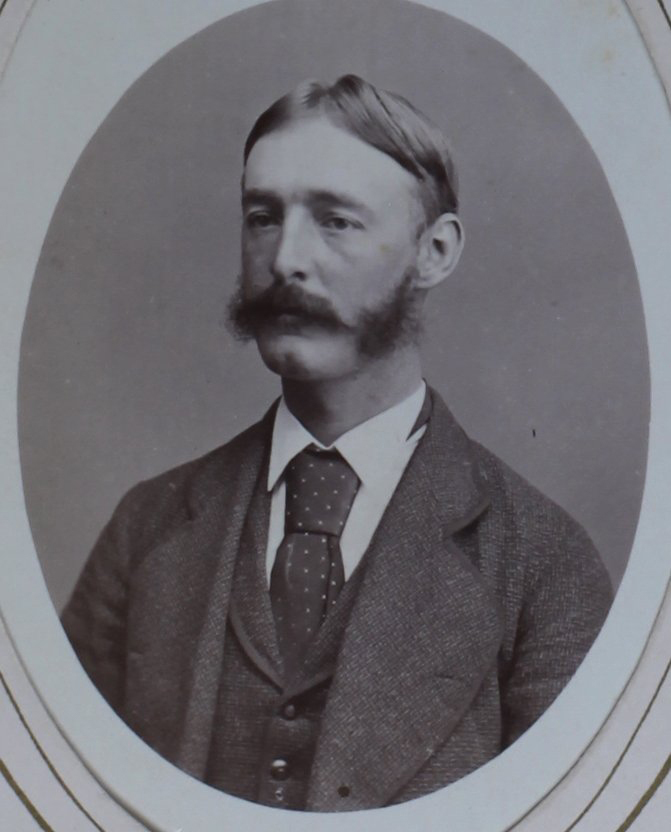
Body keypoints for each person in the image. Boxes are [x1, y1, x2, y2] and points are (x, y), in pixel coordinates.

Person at [62, 74, 613, 812]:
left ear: (435, 251)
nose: (287, 258)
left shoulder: (543, 564)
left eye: (335, 221)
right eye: (263, 216)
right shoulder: (146, 530)